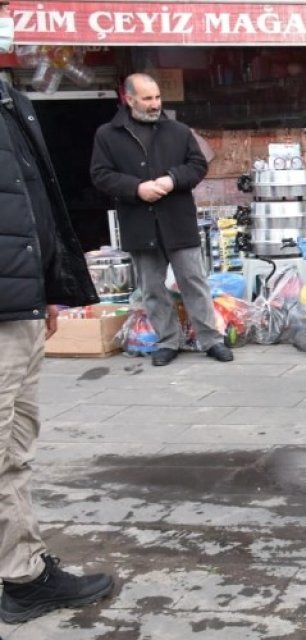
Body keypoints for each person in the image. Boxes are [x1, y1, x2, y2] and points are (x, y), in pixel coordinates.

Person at [0, 3, 116, 621]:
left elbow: (30, 204)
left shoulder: (10, 101)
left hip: (17, 307)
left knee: (15, 448)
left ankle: (22, 572)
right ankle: (20, 582)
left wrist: (47, 285)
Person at [90, 73, 231, 367]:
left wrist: (171, 179)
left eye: (157, 98)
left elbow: (198, 165)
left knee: (194, 281)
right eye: (147, 98)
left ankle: (211, 339)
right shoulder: (107, 134)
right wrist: (136, 188)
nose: (155, 104)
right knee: (152, 288)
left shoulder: (178, 131)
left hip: (178, 219)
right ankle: (168, 340)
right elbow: (100, 175)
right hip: (139, 223)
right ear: (128, 99)